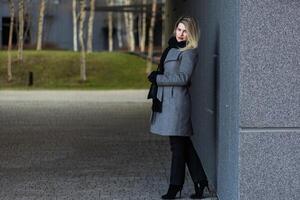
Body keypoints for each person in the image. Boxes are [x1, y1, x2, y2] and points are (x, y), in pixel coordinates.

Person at [147, 16, 209, 199]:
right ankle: (200, 180)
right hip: (168, 102)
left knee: (177, 146)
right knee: (183, 144)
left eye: (185, 31)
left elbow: (183, 78)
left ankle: (175, 186)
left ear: (191, 33)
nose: (181, 34)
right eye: (179, 29)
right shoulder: (171, 48)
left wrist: (158, 78)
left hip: (177, 104)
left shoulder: (189, 52)